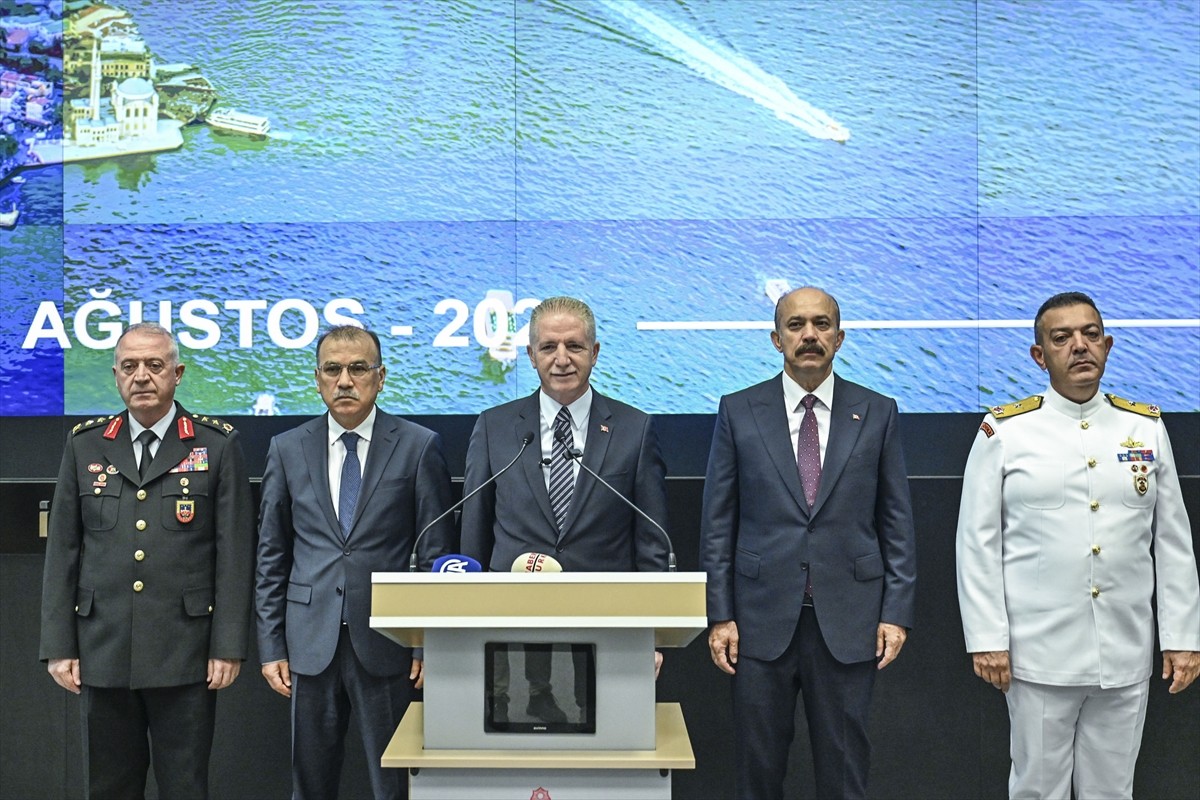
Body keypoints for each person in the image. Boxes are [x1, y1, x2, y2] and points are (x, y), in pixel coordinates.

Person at [956, 291, 1200, 799]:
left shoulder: (1145, 427)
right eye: (1061, 337)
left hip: (1125, 649)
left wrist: (1181, 636)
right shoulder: (1005, 431)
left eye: (1090, 334)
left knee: (1113, 791)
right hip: (1038, 653)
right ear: (1039, 355)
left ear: (1107, 346)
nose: (1079, 346)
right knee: (1037, 789)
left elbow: (1173, 541)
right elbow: (977, 542)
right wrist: (986, 637)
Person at [700, 286, 917, 800]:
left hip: (849, 619)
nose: (809, 335)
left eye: (822, 324)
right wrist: (720, 615)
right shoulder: (739, 410)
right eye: (796, 325)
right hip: (758, 620)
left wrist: (896, 613)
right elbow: (717, 524)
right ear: (777, 339)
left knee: (844, 775)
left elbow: (896, 522)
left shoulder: (878, 411)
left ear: (839, 338)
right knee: (758, 772)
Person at [39, 322, 254, 799]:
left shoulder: (215, 445)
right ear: (115, 375)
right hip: (104, 651)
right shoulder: (85, 444)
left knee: (185, 787)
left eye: (155, 365)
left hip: (186, 652)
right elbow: (63, 551)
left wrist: (228, 645)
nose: (141, 376)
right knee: (109, 787)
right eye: (130, 366)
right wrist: (59, 644)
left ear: (178, 373)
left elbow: (234, 555)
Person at [255, 325, 454, 800]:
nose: (345, 381)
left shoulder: (418, 445)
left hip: (388, 643)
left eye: (358, 368)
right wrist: (271, 645)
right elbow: (271, 555)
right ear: (317, 379)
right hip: (308, 642)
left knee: (395, 784)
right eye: (332, 369)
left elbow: (436, 555)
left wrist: (428, 643)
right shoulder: (287, 448)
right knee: (311, 785)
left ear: (380, 377)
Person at [460, 295, 669, 722]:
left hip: (607, 623)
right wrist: (465, 626)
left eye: (574, 346)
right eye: (548, 347)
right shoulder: (494, 426)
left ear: (594, 352)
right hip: (509, 626)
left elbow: (652, 541)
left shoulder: (635, 429)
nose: (561, 359)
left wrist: (654, 633)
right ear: (530, 355)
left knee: (605, 740)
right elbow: (473, 534)